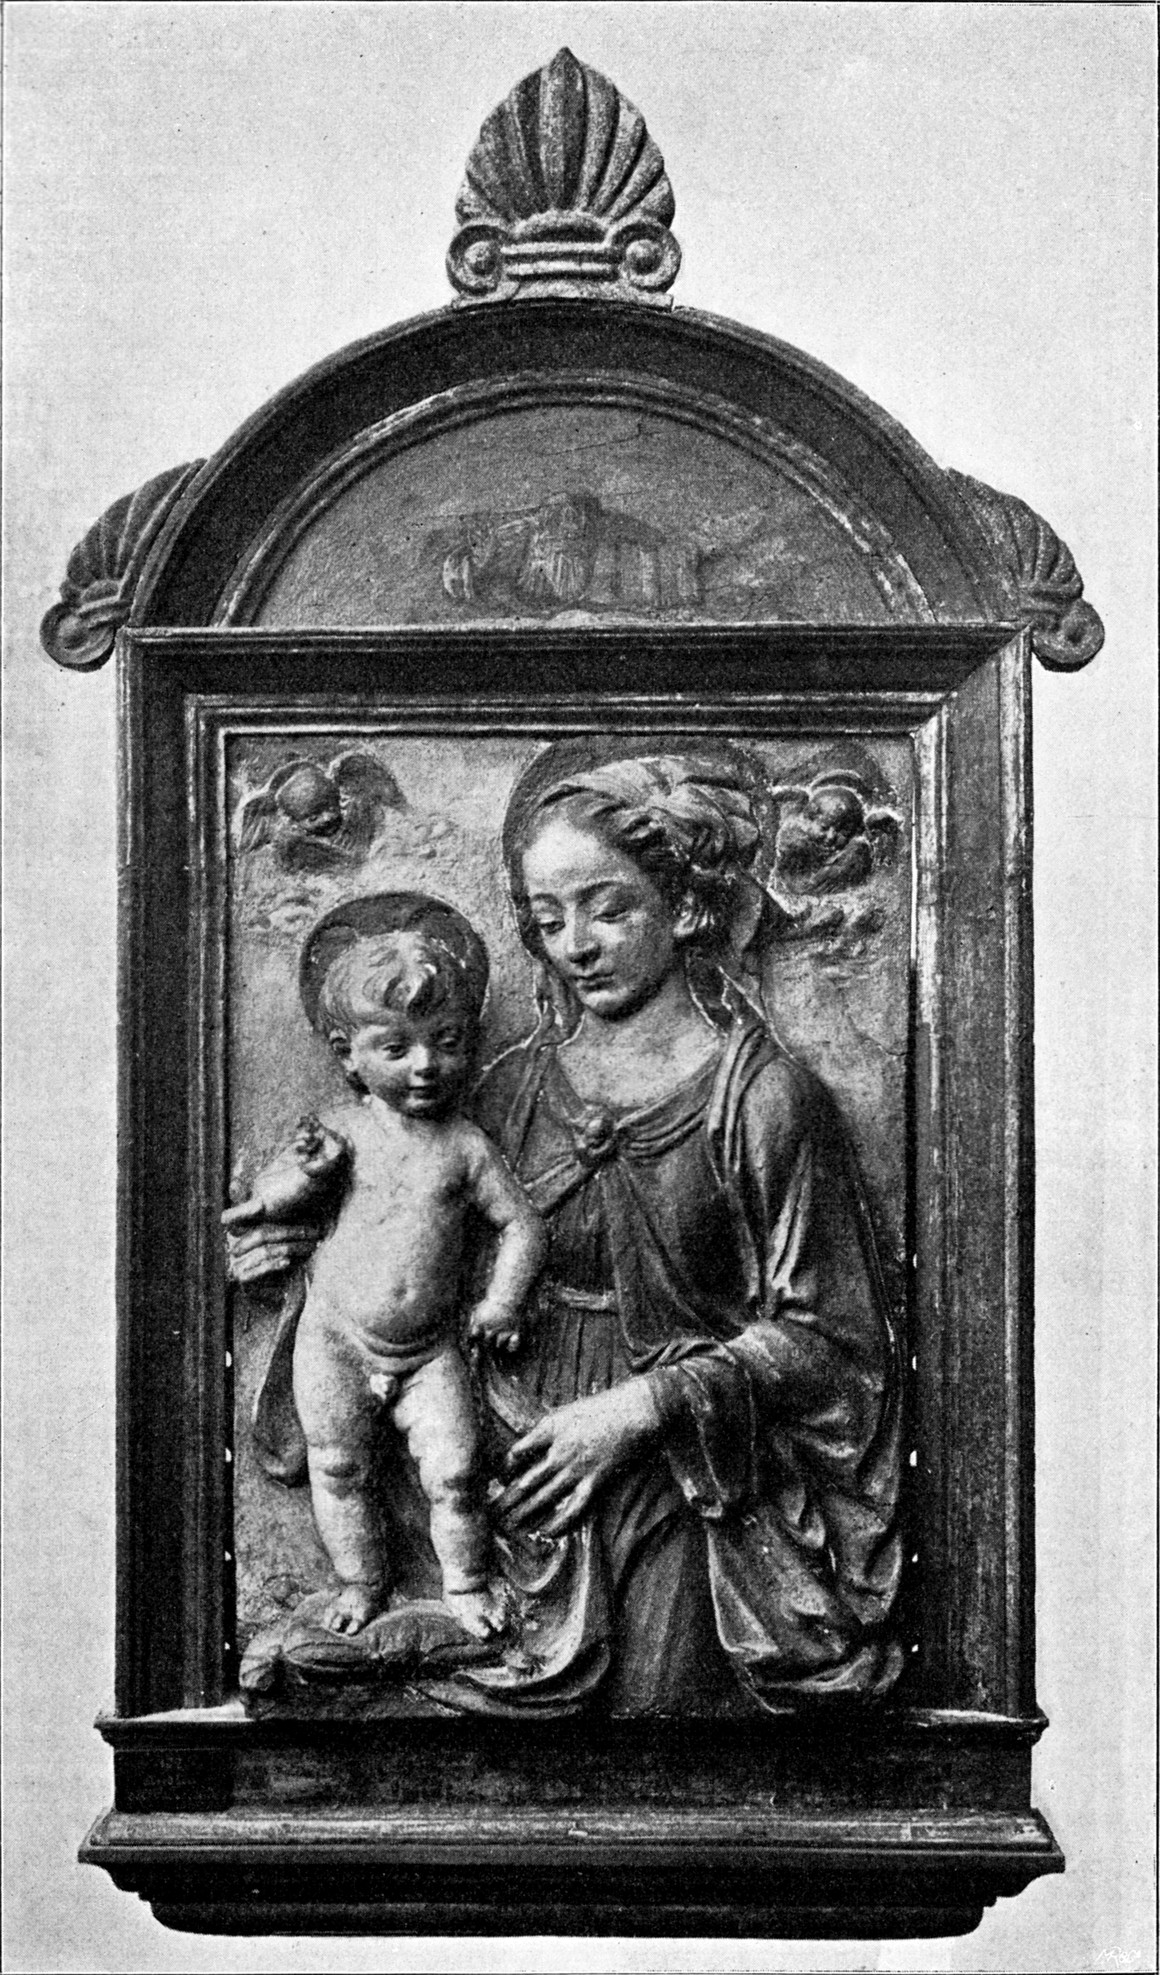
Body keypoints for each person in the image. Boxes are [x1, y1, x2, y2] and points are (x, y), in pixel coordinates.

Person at [230, 759, 904, 1713]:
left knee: (656, 1714)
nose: (575, 946)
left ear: (684, 905)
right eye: (547, 921)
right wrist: (295, 1253)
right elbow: (413, 1247)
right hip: (498, 1472)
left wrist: (637, 1410)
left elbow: (830, 1341)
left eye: (608, 909)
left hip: (680, 1488)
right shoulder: (508, 1089)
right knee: (321, 1677)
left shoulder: (763, 1100)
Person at [224, 893, 546, 1641]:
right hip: (336, 1340)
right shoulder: (339, 1131)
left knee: (456, 1474)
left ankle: (467, 1584)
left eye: (447, 1041)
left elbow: (522, 1225)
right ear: (348, 1055)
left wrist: (502, 1301)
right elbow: (281, 1189)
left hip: (430, 1350)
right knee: (338, 1468)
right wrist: (289, 1187)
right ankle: (360, 1581)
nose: (427, 1065)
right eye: (396, 1049)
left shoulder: (465, 1146)